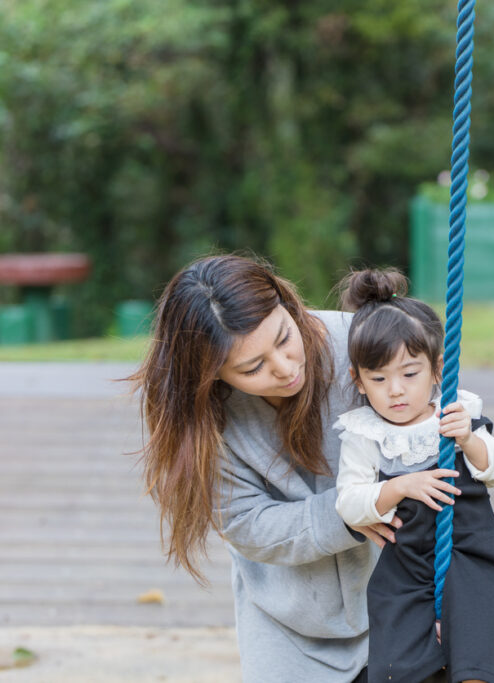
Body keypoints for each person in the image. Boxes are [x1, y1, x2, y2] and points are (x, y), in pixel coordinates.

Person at [132, 253, 401, 682]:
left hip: (398, 597)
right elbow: (247, 522)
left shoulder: (361, 342)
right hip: (286, 625)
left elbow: (434, 416)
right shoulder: (205, 417)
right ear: (212, 375)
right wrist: (349, 512)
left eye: (283, 338)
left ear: (286, 305)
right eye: (252, 367)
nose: (285, 367)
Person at [334, 268, 494, 683]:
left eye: (409, 374)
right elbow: (348, 502)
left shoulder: (454, 415)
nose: (395, 390)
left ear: (437, 370)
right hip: (403, 566)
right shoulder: (366, 434)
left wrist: (469, 440)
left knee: (480, 651)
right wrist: (397, 487)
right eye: (379, 379)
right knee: (395, 667)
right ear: (358, 381)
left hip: (470, 551)